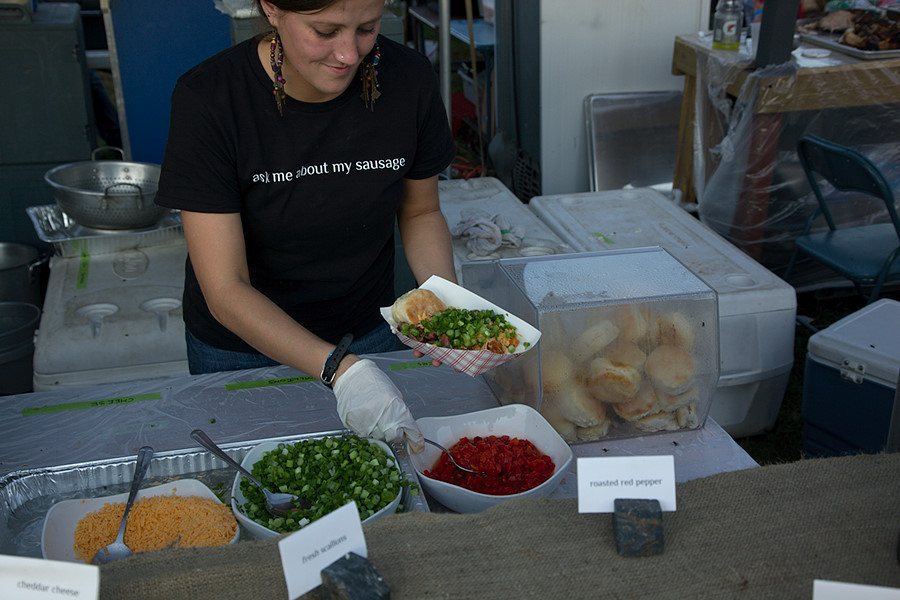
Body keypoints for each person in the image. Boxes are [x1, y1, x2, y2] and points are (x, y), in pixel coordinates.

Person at [154, 0, 460, 453]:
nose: (349, 54)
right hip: (240, 348)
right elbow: (225, 288)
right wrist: (342, 369)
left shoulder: (409, 79)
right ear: (272, 9)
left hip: (366, 328)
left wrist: (447, 306)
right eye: (325, 31)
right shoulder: (211, 98)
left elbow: (419, 213)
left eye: (367, 28)